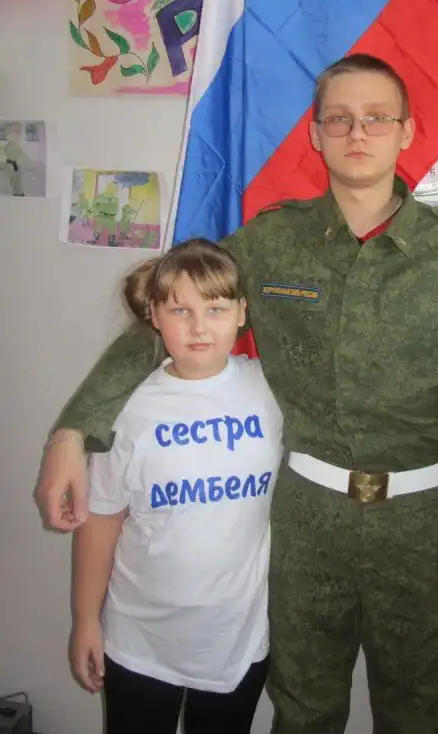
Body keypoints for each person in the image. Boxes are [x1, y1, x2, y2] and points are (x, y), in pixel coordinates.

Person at [38, 54, 438, 734]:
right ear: (315, 134)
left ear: (406, 132)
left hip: (424, 531)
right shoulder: (273, 242)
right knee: (303, 715)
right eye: (339, 119)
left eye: (376, 118)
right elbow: (173, 317)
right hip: (307, 528)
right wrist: (73, 431)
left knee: (423, 716)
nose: (356, 133)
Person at [71, 238, 282, 734]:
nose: (199, 326)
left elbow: (344, 425)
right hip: (139, 641)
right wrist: (85, 619)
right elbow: (101, 519)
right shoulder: (127, 406)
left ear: (242, 313)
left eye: (216, 308)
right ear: (154, 315)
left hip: (237, 642)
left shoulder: (271, 390)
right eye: (180, 310)